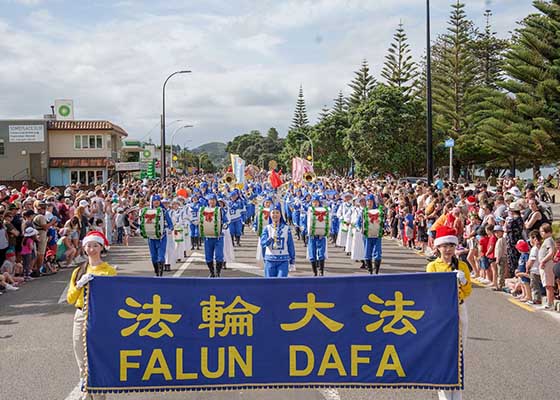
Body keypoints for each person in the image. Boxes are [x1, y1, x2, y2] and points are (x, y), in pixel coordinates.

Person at [66, 231, 115, 400]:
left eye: (95, 245)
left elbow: (113, 298)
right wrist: (79, 284)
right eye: (88, 245)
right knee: (80, 355)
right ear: (84, 248)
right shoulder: (79, 271)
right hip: (80, 315)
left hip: (99, 318)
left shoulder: (108, 270)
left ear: (101, 247)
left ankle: (100, 395)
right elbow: (70, 298)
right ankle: (86, 391)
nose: (92, 249)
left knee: (97, 357)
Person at [426, 225, 472, 400]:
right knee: (443, 354)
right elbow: (432, 289)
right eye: (444, 246)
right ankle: (444, 396)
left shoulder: (462, 266)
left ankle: (457, 395)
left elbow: (468, 292)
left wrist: (463, 281)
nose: (448, 250)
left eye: (451, 246)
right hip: (440, 313)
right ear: (438, 247)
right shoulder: (432, 266)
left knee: (459, 355)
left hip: (459, 310)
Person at [261, 203, 295, 277]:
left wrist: (292, 260)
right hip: (270, 260)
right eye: (273, 213)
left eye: (277, 212)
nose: (275, 215)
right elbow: (263, 243)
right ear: (270, 214)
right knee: (269, 284)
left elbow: (290, 245)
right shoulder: (267, 228)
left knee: (281, 283)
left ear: (280, 214)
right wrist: (270, 239)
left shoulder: (286, 228)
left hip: (283, 260)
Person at [201, 193, 228, 277]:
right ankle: (212, 272)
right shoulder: (204, 210)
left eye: (213, 200)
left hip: (218, 237)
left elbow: (226, 221)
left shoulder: (220, 210)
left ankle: (218, 272)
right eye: (210, 200)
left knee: (219, 255)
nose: (212, 201)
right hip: (208, 237)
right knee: (208, 256)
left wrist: (224, 225)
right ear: (208, 201)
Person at [146, 194, 173, 277]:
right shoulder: (148, 211)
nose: (156, 202)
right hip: (151, 237)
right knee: (153, 256)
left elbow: (170, 223)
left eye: (158, 200)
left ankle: (160, 275)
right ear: (152, 202)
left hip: (162, 236)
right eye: (154, 200)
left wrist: (169, 228)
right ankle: (156, 272)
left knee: (161, 256)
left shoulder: (163, 211)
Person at [306, 194, 328, 276]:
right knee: (312, 253)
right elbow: (307, 221)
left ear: (319, 202)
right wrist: (306, 230)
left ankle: (321, 271)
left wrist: (325, 231)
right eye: (313, 202)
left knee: (321, 253)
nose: (315, 203)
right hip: (312, 235)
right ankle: (314, 272)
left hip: (321, 235)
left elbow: (327, 221)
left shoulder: (323, 211)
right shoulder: (310, 210)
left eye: (316, 202)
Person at [538, 223, 556, 309]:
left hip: (547, 265)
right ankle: (550, 302)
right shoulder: (548, 240)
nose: (541, 233)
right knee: (547, 284)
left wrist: (543, 261)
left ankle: (550, 303)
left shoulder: (548, 240)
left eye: (542, 231)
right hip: (546, 264)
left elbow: (551, 252)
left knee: (548, 284)